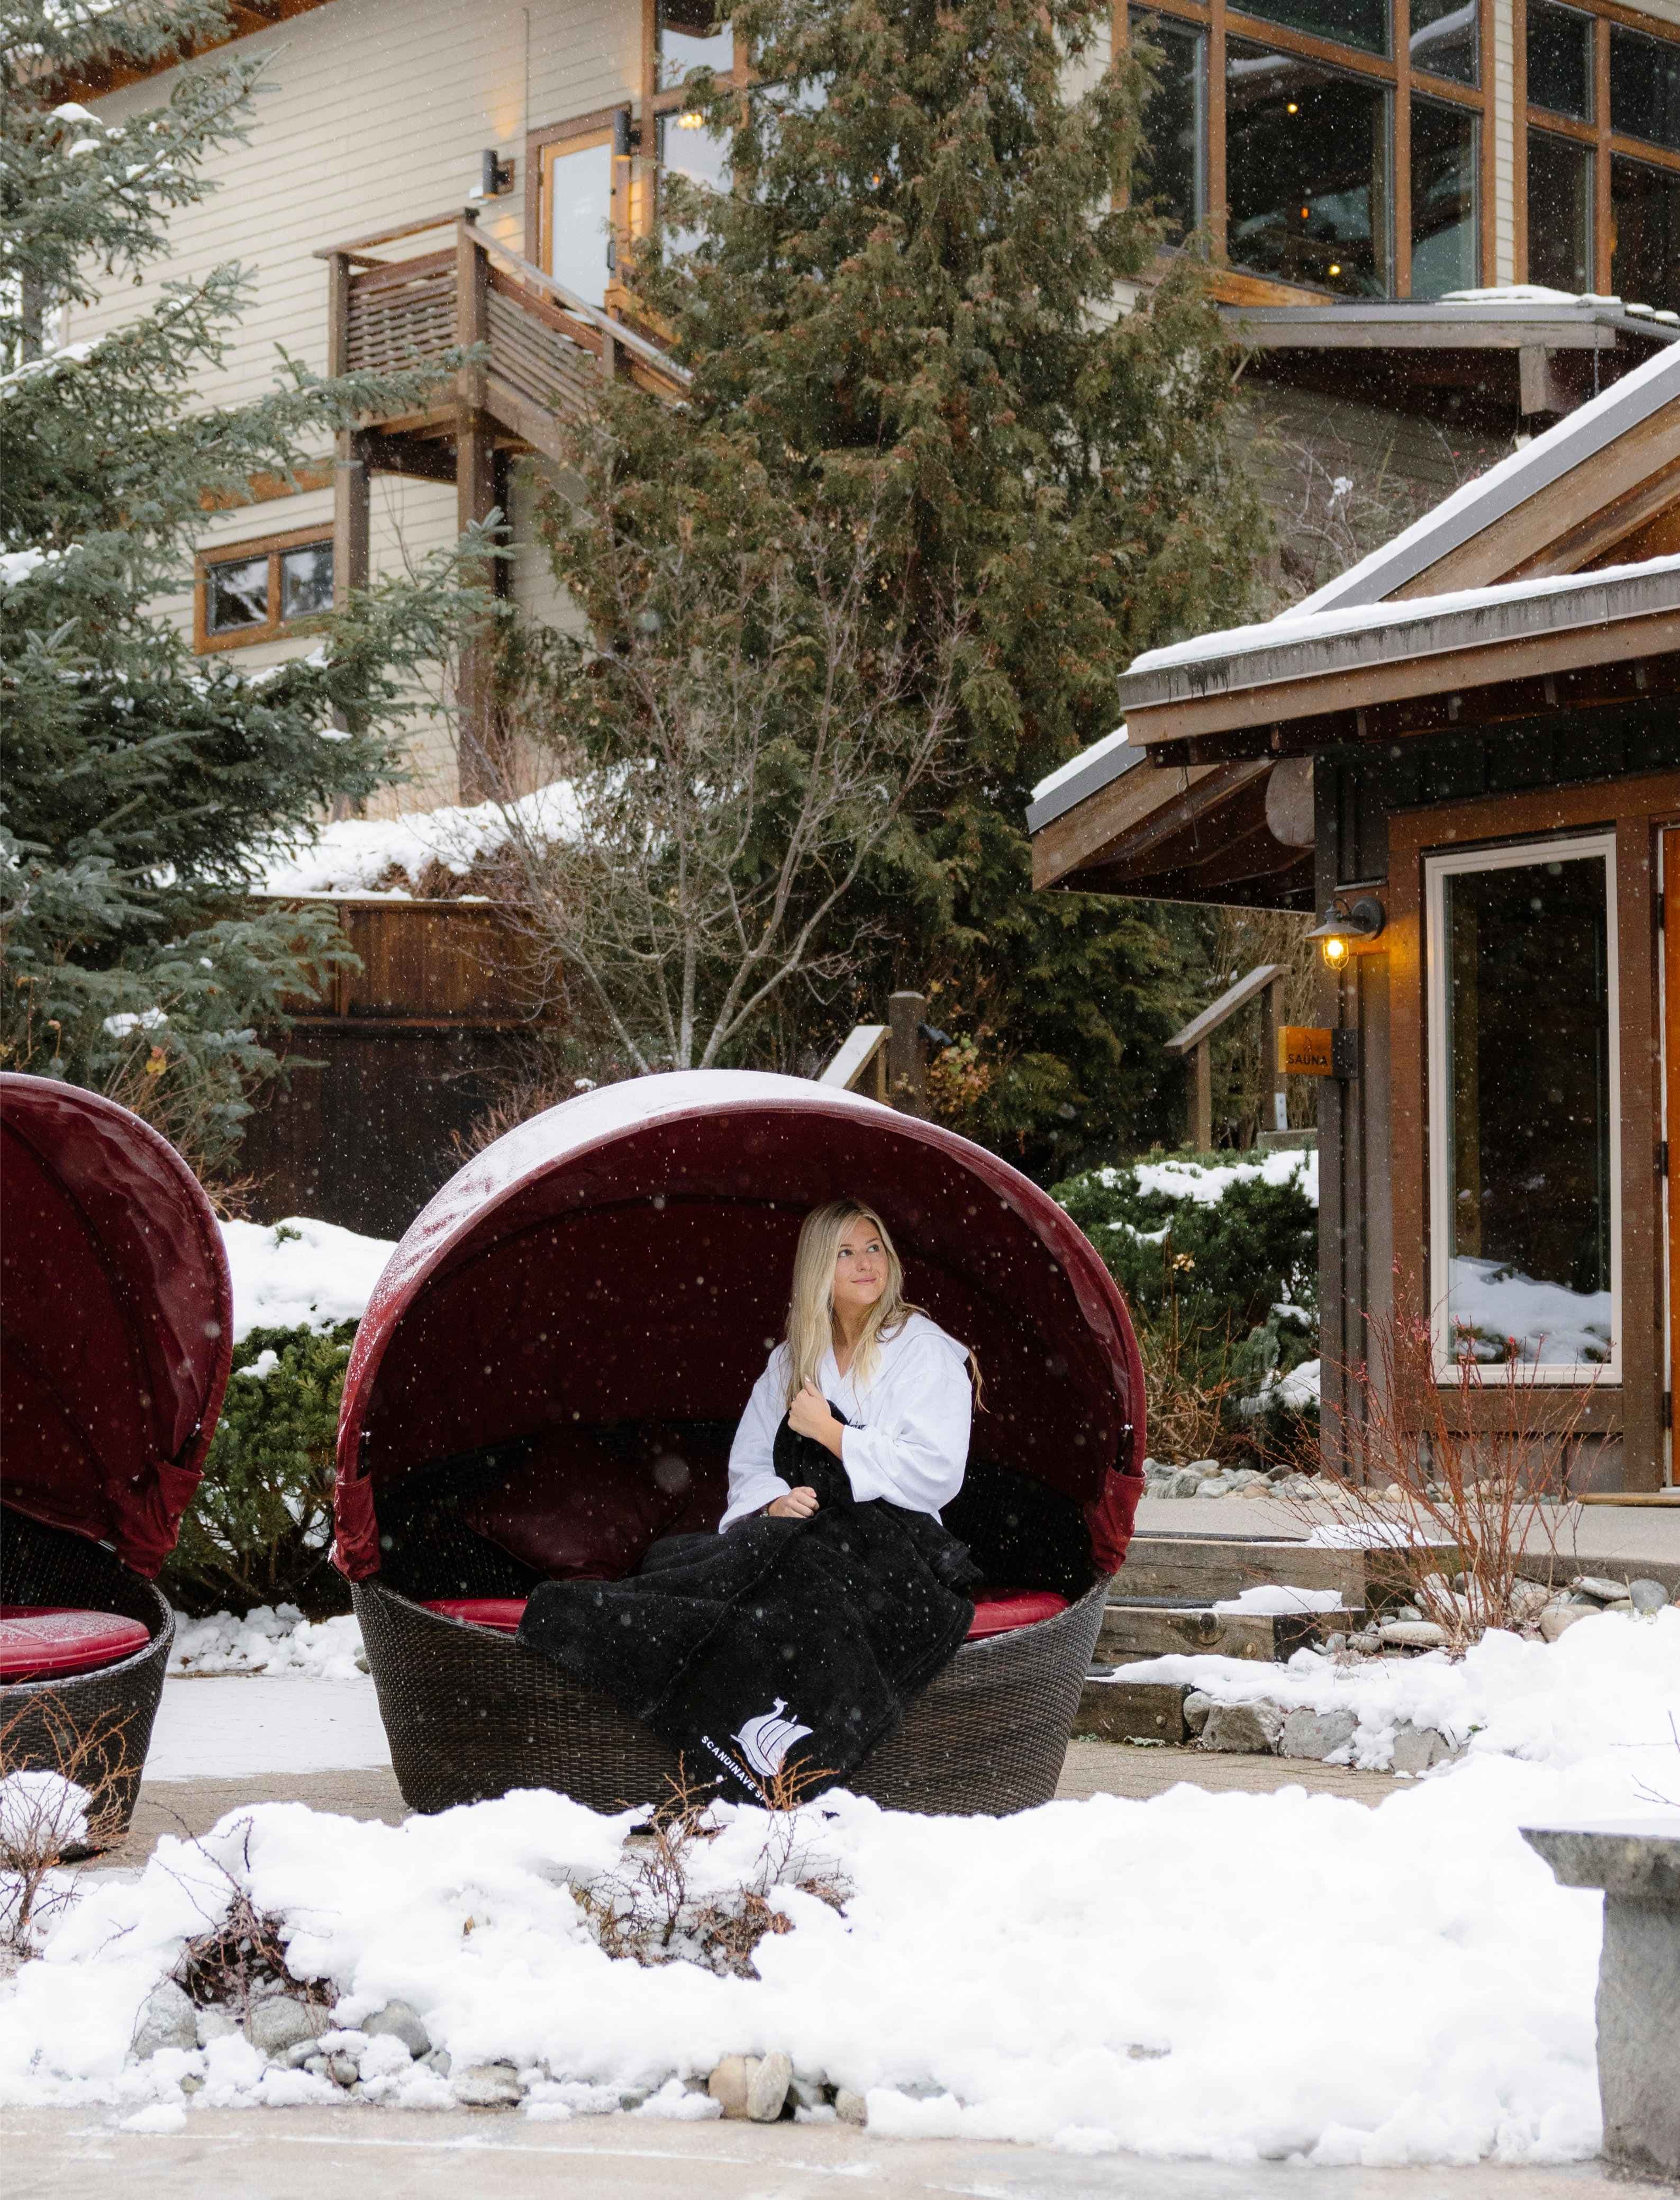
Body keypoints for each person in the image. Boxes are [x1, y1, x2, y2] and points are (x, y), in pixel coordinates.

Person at [719, 1199, 974, 1533]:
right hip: (803, 1540)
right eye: (845, 1253)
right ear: (818, 1267)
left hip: (894, 1546)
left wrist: (831, 1433)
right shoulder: (790, 1359)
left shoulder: (924, 1349)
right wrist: (774, 1502)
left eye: (873, 1248)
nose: (866, 1264)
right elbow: (751, 1459)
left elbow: (936, 1471)